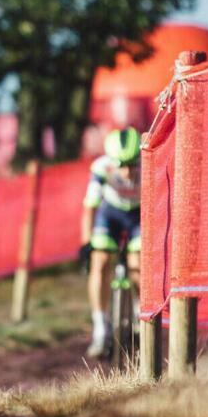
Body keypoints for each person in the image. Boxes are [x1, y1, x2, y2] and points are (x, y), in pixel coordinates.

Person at [78, 128, 142, 358]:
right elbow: (90, 207)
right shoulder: (101, 167)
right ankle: (100, 326)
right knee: (100, 260)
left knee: (138, 262)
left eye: (132, 163)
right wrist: (86, 244)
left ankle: (139, 313)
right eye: (121, 164)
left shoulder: (150, 161)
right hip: (110, 214)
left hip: (138, 215)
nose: (126, 171)